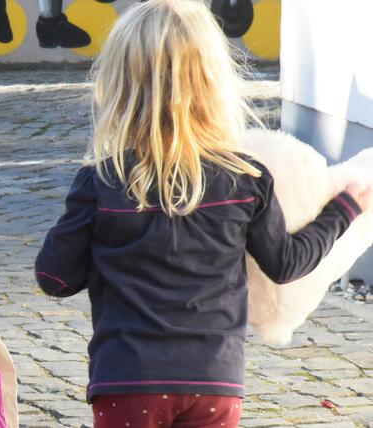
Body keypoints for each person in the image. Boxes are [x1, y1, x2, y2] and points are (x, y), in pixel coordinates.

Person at [33, 1, 371, 427]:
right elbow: (286, 265)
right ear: (214, 80)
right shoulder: (243, 179)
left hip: (127, 380)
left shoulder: (102, 180)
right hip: (213, 380)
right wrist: (342, 211)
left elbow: (54, 279)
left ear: (118, 85)